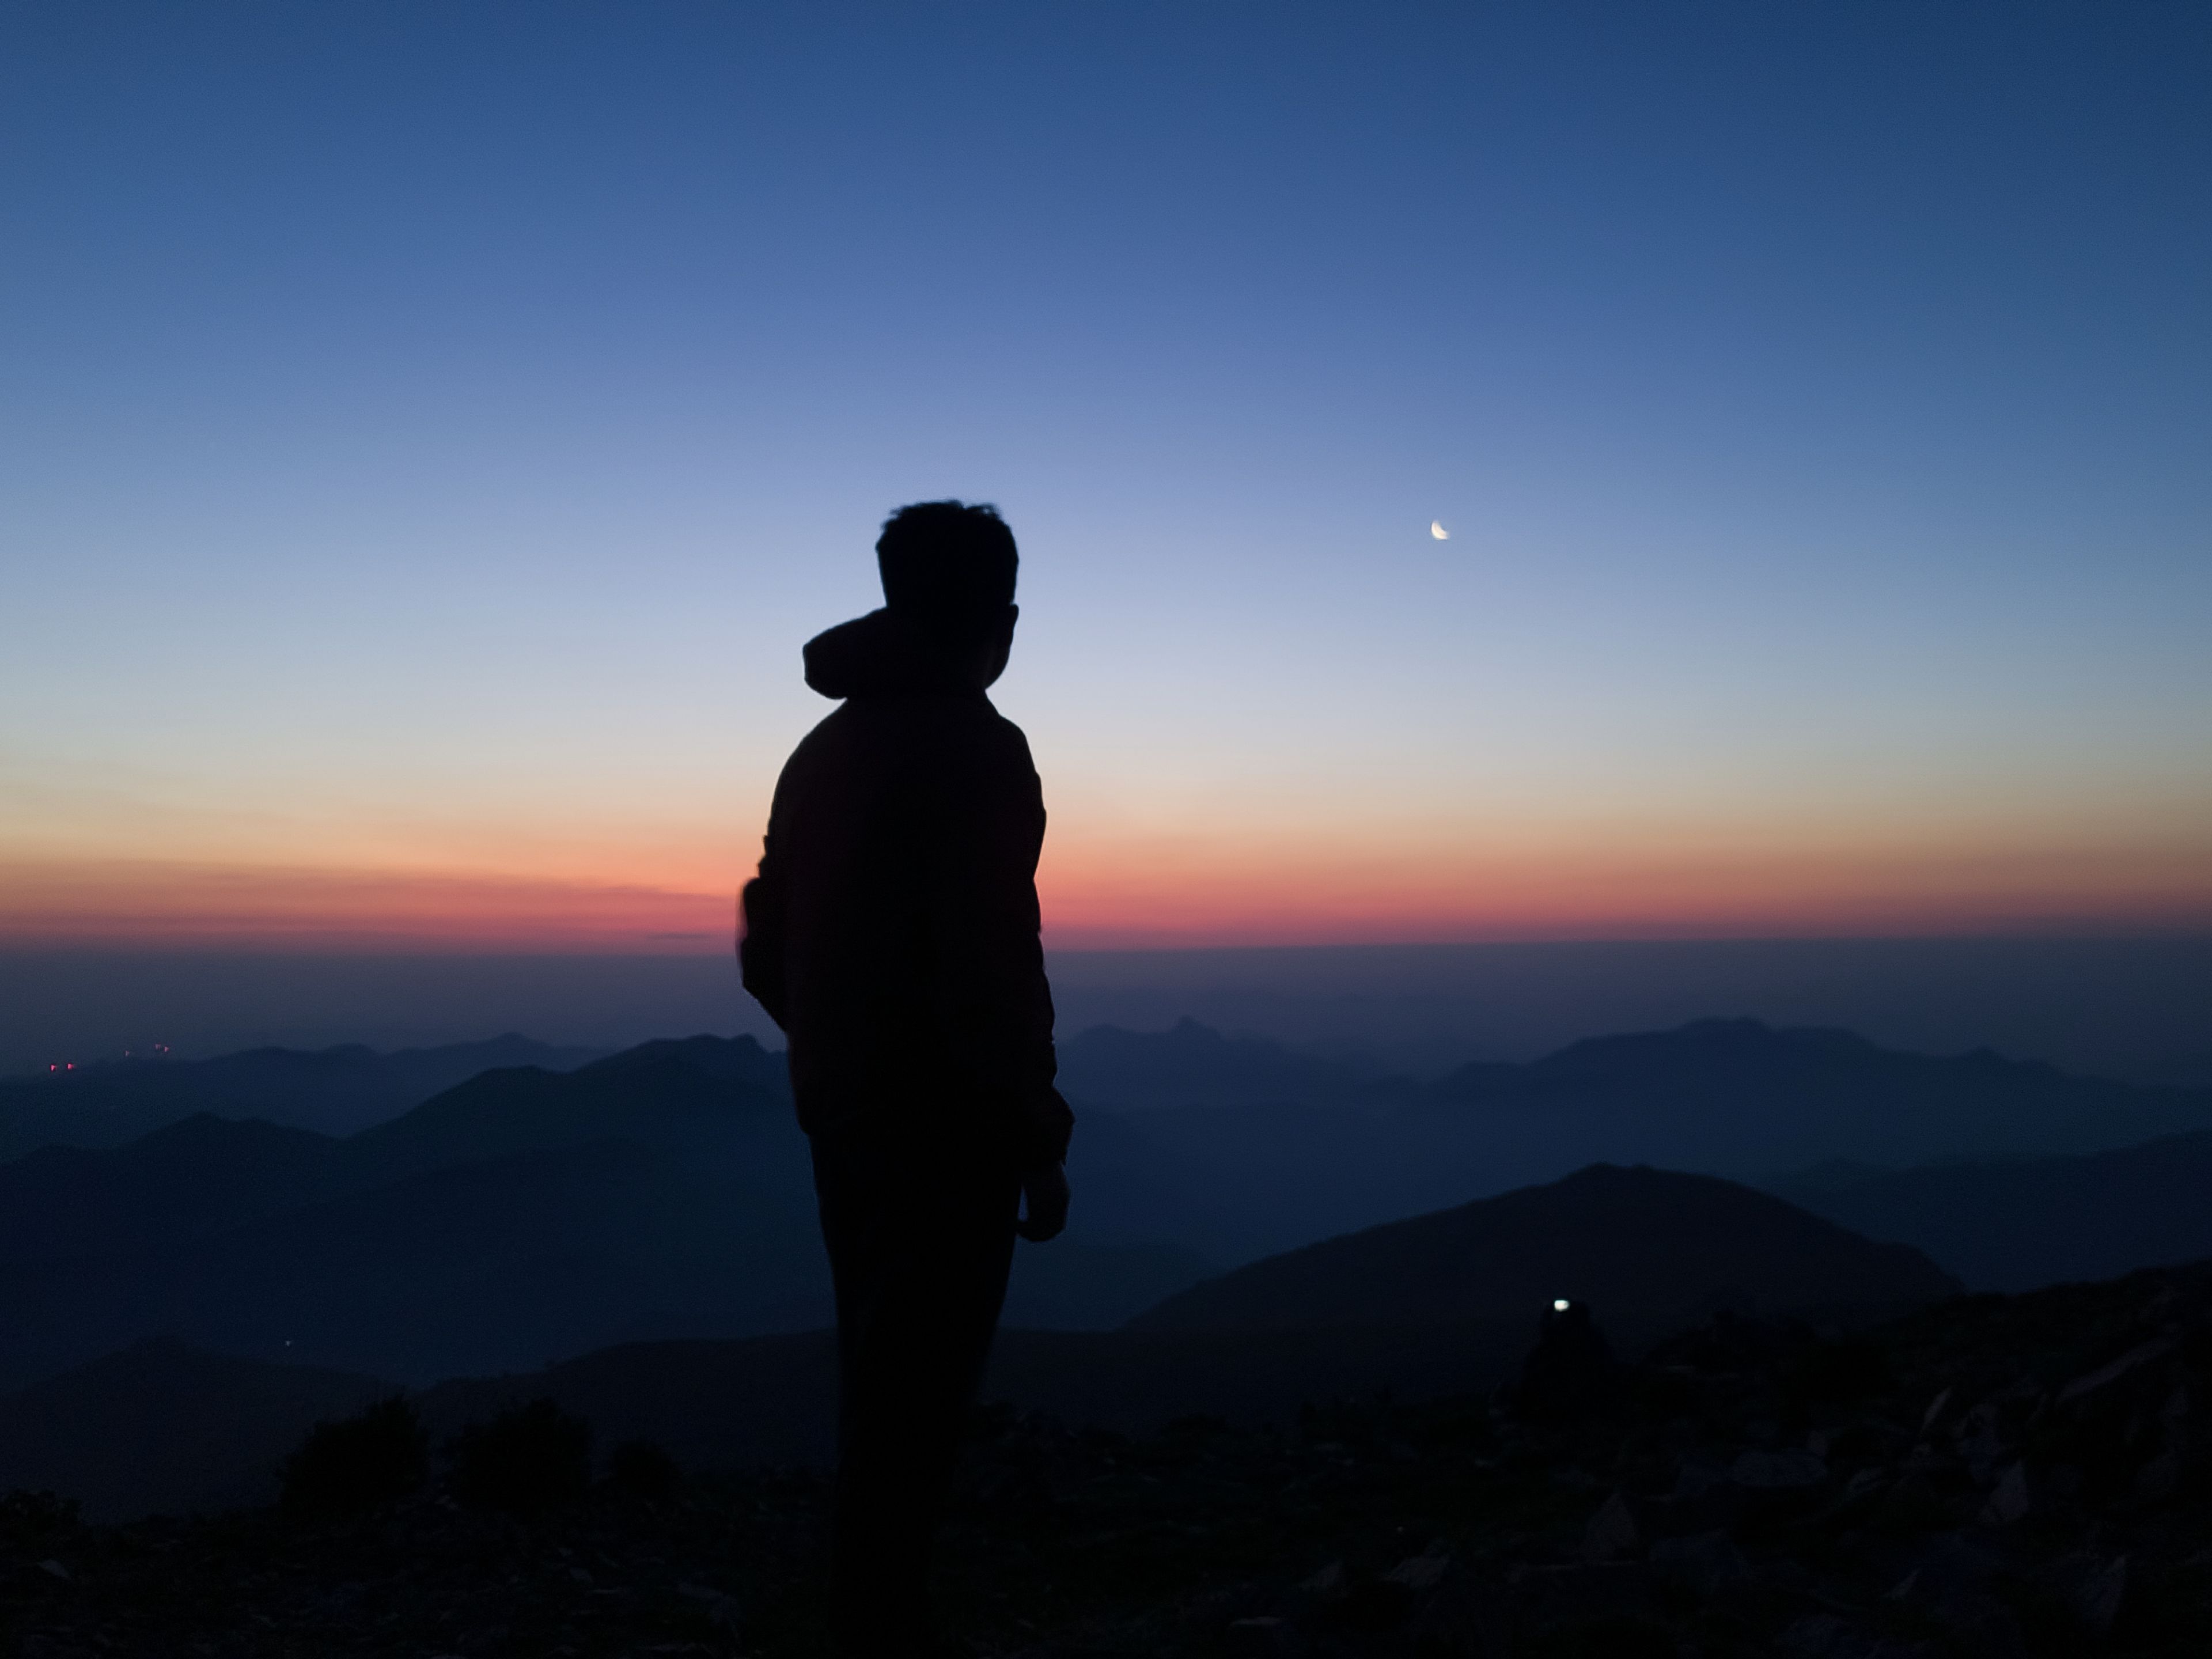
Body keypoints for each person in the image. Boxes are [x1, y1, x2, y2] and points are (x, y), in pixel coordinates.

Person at [738, 500, 1073, 1656]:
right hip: (952, 1125)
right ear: (998, 613)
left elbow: (766, 940)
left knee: (879, 1373)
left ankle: (870, 1611)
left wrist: (837, 1037)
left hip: (845, 1115)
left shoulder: (823, 751)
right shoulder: (979, 748)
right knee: (922, 1390)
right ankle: (883, 1625)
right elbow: (995, 965)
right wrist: (1037, 1137)